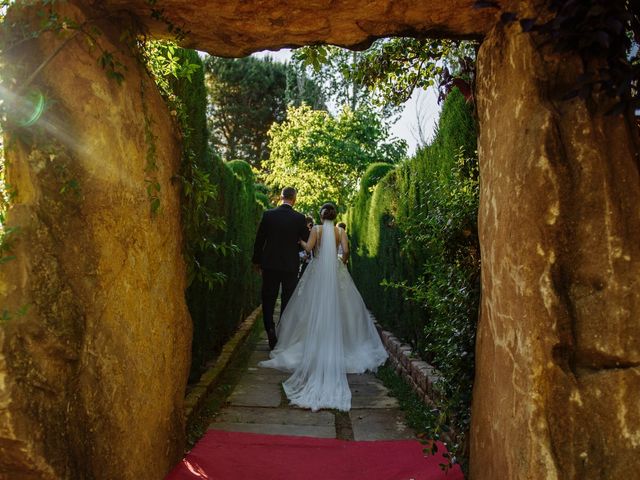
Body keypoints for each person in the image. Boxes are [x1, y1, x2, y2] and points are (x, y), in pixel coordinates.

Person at [259, 203, 388, 412]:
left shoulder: (316, 230)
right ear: (335, 216)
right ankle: (343, 343)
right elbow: (346, 251)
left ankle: (311, 341)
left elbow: (308, 249)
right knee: (345, 310)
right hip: (336, 273)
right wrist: (342, 263)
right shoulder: (341, 231)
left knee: (309, 309)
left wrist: (300, 240)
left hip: (317, 272)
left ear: (320, 215)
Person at [252, 187, 310, 350]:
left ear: (280, 197)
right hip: (290, 265)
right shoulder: (299, 218)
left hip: (269, 264)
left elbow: (259, 240)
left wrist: (257, 261)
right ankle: (283, 331)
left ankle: (270, 329)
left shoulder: (268, 215)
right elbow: (306, 240)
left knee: (268, 297)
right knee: (288, 298)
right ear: (295, 199)